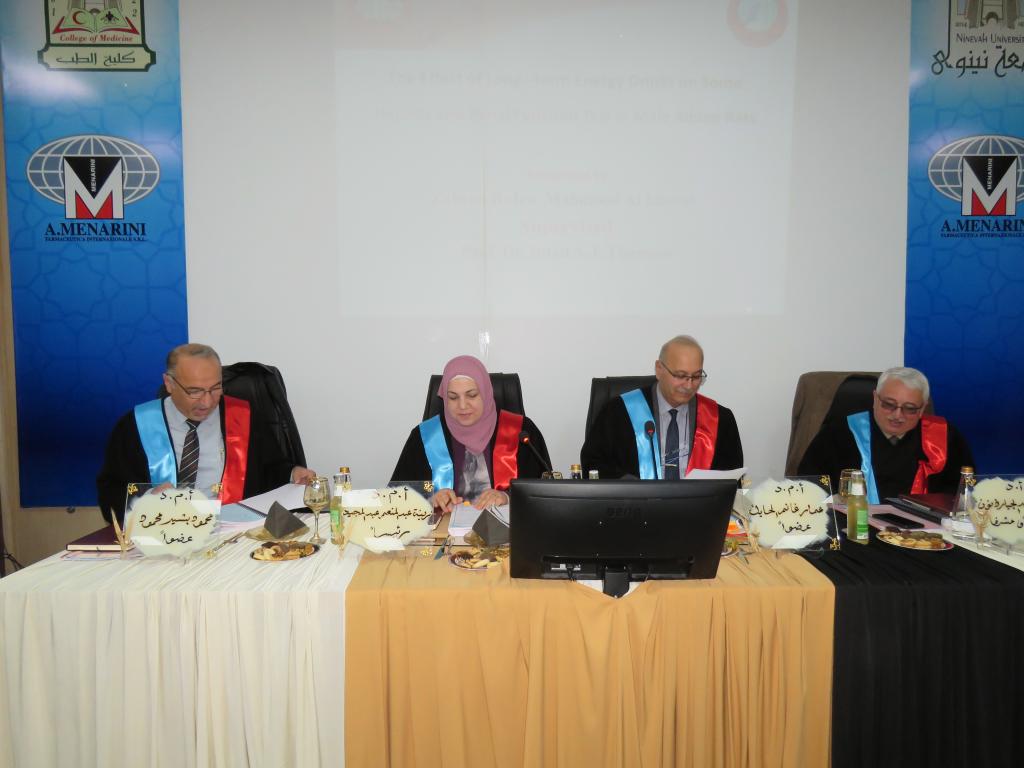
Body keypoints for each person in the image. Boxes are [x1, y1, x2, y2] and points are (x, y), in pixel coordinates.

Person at [96, 343, 315, 523]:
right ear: (169, 384)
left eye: (215, 388)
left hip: (233, 533)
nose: (207, 402)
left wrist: (292, 473)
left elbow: (270, 470)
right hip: (165, 533)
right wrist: (146, 499)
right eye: (195, 391)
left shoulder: (245, 417)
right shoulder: (135, 426)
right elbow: (111, 491)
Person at [391, 355, 552, 512]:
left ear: (486, 392)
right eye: (453, 397)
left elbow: (546, 492)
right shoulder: (425, 437)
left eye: (472, 395)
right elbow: (397, 495)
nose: (462, 406)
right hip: (443, 529)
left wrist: (508, 497)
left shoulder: (521, 433)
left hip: (507, 529)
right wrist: (429, 497)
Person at [798, 366, 974, 502]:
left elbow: (964, 491)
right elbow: (809, 485)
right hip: (855, 527)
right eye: (889, 404)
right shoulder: (839, 433)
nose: (897, 415)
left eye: (910, 408)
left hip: (925, 532)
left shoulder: (944, 437)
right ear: (875, 398)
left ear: (922, 408)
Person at [580, 335, 743, 479]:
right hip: (636, 503)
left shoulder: (720, 420)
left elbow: (732, 478)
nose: (689, 385)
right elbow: (593, 464)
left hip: (700, 505)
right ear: (659, 369)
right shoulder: (618, 413)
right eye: (680, 375)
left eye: (696, 376)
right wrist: (630, 487)